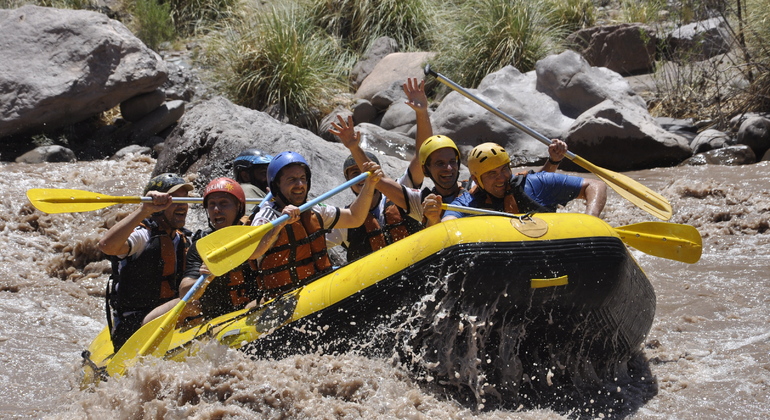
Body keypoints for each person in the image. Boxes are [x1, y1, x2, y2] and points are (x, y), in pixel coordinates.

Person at [247, 151, 383, 299]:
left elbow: (354, 218)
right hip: (282, 299)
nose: (299, 185)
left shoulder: (314, 209)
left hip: (319, 289)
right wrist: (279, 226)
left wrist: (370, 185)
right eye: (291, 179)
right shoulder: (267, 216)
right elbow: (253, 252)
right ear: (277, 185)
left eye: (302, 179)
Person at [97, 173, 193, 349]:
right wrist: (144, 210)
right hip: (133, 327)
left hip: (165, 319)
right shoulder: (142, 236)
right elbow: (107, 246)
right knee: (194, 299)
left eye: (184, 200)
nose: (182, 205)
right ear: (158, 206)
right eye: (175, 199)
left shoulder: (184, 239)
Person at [326, 114, 429, 261]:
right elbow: (313, 246)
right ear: (348, 181)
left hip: (415, 266)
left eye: (366, 171)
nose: (363, 177)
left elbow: (421, 154)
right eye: (355, 173)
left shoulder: (400, 191)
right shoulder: (346, 219)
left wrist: (421, 111)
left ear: (379, 172)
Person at [444, 142, 607, 218]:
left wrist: (590, 219)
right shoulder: (468, 201)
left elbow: (595, 185)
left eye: (504, 169)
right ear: (476, 180)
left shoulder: (535, 183)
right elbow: (448, 221)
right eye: (491, 174)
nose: (501, 178)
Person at [174, 177, 260, 321]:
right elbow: (184, 292)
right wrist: (205, 279)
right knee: (150, 319)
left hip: (254, 308)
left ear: (238, 207)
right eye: (211, 205)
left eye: (223, 203)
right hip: (217, 320)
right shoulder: (201, 245)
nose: (216, 210)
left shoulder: (255, 235)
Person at [233, 148, 273, 212]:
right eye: (264, 173)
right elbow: (249, 219)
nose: (270, 177)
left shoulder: (270, 194)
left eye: (271, 172)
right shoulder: (246, 189)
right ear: (245, 176)